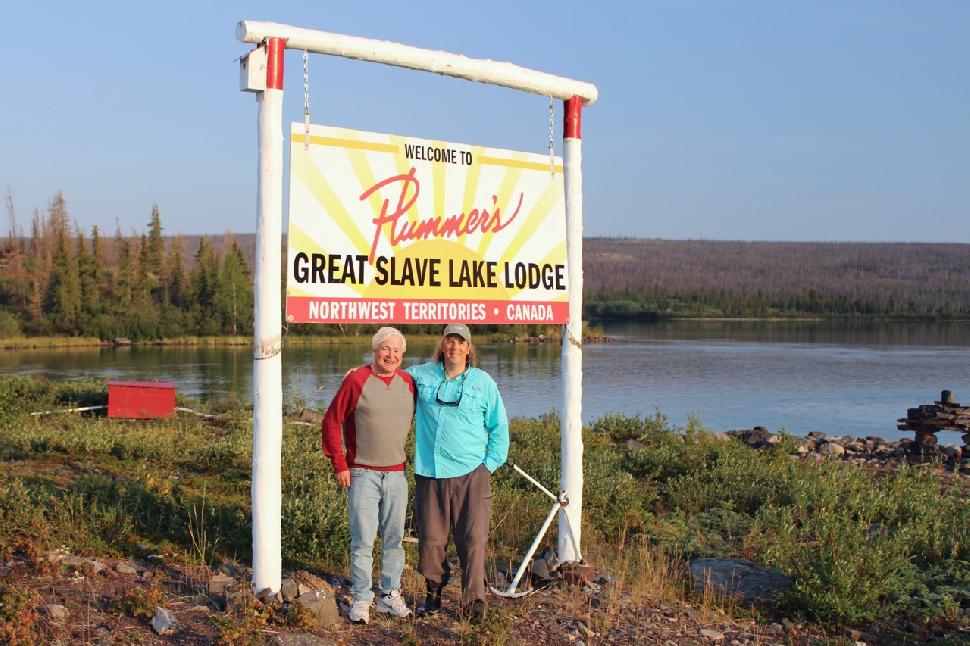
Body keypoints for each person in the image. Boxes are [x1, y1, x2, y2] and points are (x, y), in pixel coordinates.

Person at [406, 323, 510, 622]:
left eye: (459, 342)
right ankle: (433, 593)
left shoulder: (483, 382)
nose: (453, 347)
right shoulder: (420, 375)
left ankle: (473, 602)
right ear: (442, 345)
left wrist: (487, 466)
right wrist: (358, 375)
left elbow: (499, 428)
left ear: (468, 348)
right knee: (431, 540)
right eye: (449, 341)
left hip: (471, 474)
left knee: (472, 539)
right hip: (430, 473)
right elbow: (386, 377)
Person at [321, 327, 415, 625]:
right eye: (386, 349)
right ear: (375, 350)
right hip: (362, 474)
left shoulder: (409, 382)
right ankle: (362, 597)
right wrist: (339, 463)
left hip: (397, 474)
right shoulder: (356, 379)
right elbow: (332, 421)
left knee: (394, 539)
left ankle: (389, 594)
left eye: (397, 351)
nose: (392, 356)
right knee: (362, 540)